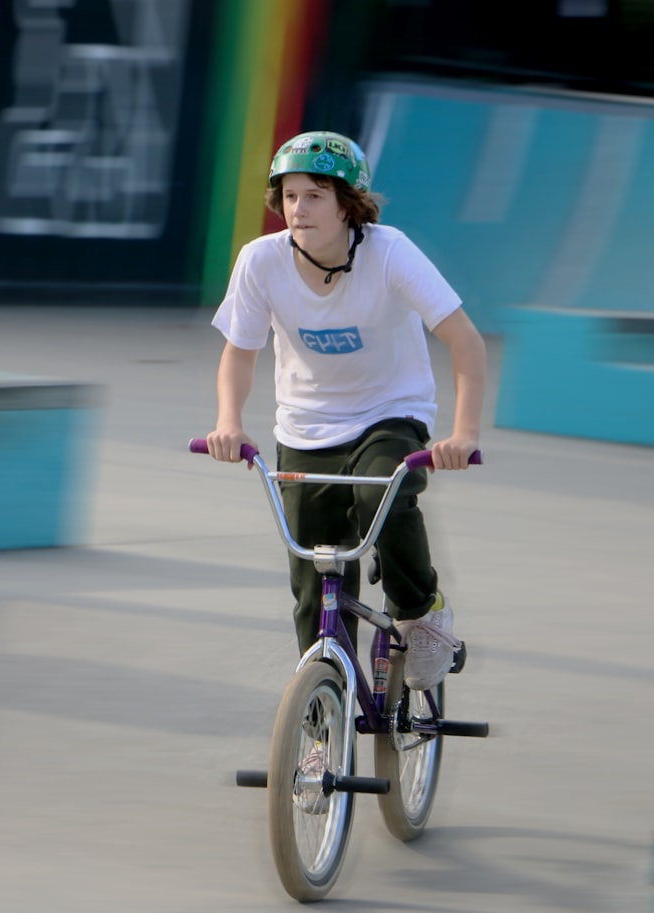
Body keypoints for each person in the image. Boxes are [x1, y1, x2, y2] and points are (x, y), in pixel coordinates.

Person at [204, 130, 486, 692]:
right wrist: (229, 422)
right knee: (313, 580)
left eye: (313, 195)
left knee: (380, 490)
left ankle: (421, 610)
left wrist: (463, 432)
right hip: (304, 427)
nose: (297, 209)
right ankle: (320, 711)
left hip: (389, 413)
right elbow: (239, 353)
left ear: (346, 203)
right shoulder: (260, 261)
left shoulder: (390, 253)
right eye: (288, 196)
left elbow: (466, 343)